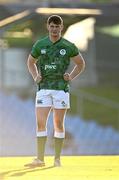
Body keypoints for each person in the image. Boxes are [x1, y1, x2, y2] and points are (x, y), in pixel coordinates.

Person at [27, 15, 85, 167]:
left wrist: (70, 76)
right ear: (48, 27)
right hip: (44, 88)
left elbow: (80, 64)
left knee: (58, 123)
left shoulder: (68, 46)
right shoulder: (41, 44)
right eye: (51, 26)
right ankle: (40, 159)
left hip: (60, 89)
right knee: (40, 122)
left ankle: (57, 159)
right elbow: (31, 62)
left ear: (61, 27)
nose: (54, 29)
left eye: (57, 26)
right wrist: (35, 76)